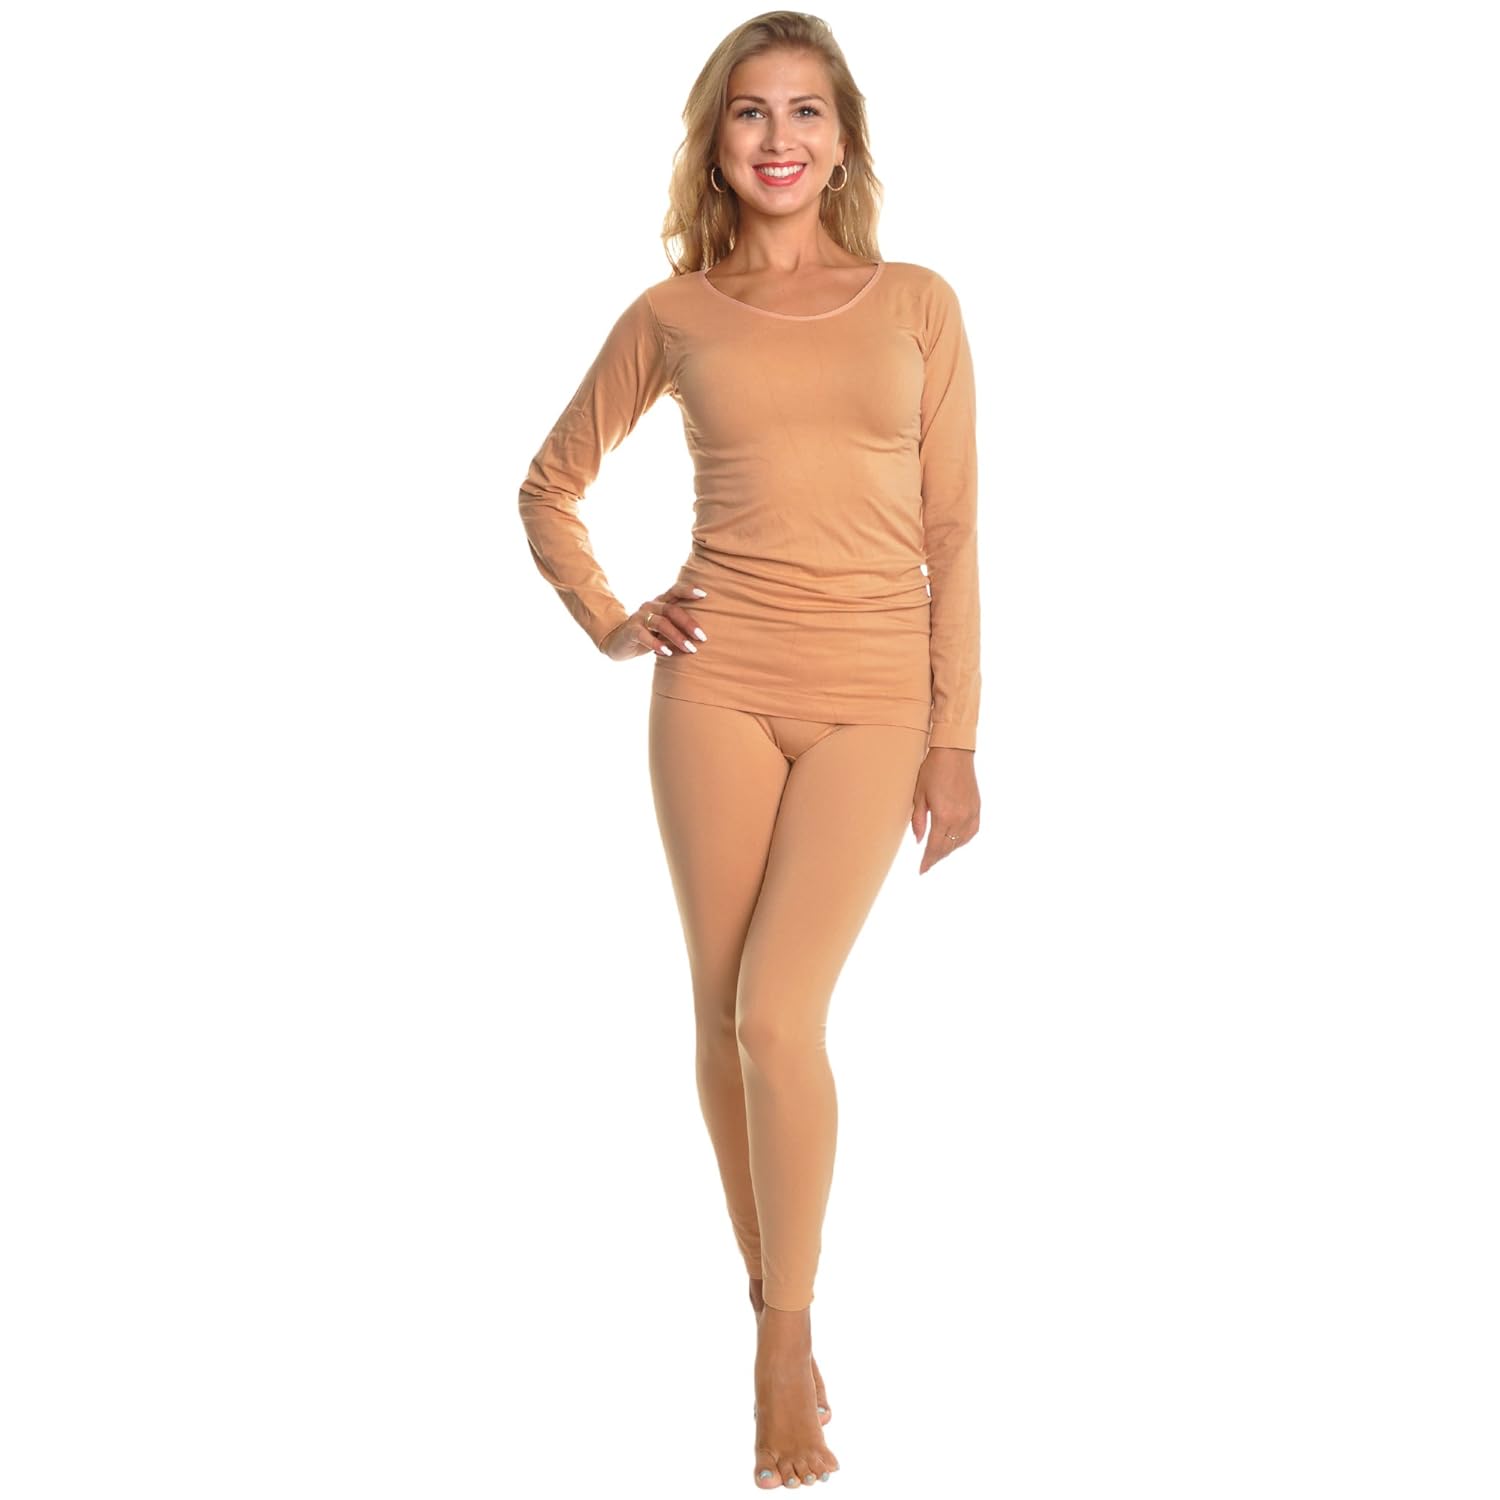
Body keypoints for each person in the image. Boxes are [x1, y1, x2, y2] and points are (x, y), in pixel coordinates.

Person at [516, 13, 981, 1489]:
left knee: (778, 1015)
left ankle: (784, 1338)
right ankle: (779, 1318)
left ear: (844, 141)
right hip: (714, 685)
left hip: (872, 693)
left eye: (805, 113)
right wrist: (610, 620)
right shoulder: (675, 313)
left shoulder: (919, 304)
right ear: (715, 143)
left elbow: (956, 532)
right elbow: (548, 486)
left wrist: (957, 736)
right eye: (749, 114)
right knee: (722, 1016)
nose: (779, 138)